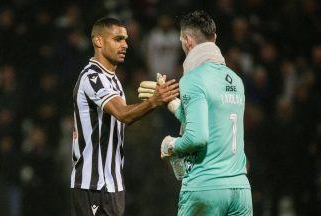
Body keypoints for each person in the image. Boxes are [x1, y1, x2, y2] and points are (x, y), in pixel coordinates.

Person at [141, 11, 253, 215]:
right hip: (240, 190)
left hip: (206, 187)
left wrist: (171, 146)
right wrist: (173, 103)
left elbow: (197, 137)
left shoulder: (193, 80)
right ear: (215, 38)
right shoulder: (236, 80)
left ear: (187, 40)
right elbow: (211, 122)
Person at [70, 17, 179, 216]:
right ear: (98, 41)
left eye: (126, 39)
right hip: (93, 185)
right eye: (118, 39)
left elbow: (117, 124)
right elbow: (123, 114)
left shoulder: (114, 81)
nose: (125, 45)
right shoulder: (93, 77)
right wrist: (153, 102)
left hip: (113, 185)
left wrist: (154, 103)